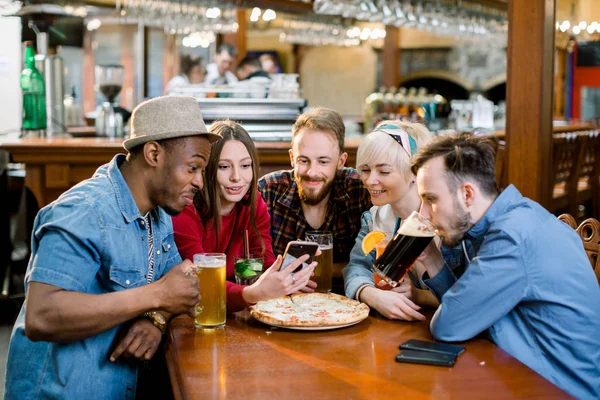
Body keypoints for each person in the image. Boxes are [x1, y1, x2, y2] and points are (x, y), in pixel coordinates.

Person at [4, 96, 219, 399]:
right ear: (154, 154)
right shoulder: (84, 211)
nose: (199, 182)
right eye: (193, 168)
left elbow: (181, 279)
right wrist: (156, 296)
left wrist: (155, 318)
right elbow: (42, 316)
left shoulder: (158, 213)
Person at [411, 132, 600, 399]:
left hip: (561, 389)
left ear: (467, 193)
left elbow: (449, 325)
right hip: (523, 378)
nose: (423, 214)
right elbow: (469, 311)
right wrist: (432, 259)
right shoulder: (513, 218)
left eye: (430, 199)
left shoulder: (512, 237)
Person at [172, 120, 316, 311]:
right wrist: (252, 293)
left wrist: (285, 279)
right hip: (199, 313)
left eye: (245, 165)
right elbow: (201, 282)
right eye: (224, 167)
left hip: (242, 310)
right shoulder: (186, 209)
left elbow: (264, 261)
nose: (236, 177)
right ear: (207, 170)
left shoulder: (253, 203)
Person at [343, 121, 438, 321]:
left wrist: (420, 295)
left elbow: (468, 296)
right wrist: (371, 294)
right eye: (366, 170)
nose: (370, 181)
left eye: (384, 171)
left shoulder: (446, 218)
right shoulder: (374, 217)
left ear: (415, 172)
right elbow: (357, 267)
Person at [258, 107, 371, 267]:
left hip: (346, 292)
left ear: (341, 161)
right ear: (292, 158)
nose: (312, 172)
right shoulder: (267, 191)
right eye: (303, 160)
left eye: (323, 161)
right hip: (282, 292)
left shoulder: (360, 190)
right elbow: (254, 263)